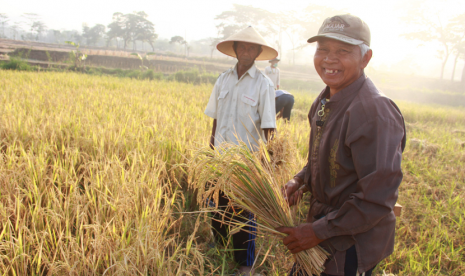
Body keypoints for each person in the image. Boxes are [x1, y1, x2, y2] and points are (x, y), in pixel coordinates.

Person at [276, 14, 407, 276]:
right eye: (322, 49)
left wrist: (317, 231)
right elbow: (323, 157)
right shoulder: (324, 101)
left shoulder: (373, 112)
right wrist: (299, 180)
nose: (329, 59)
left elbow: (376, 199)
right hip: (323, 228)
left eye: (343, 51)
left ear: (365, 58)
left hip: (351, 241)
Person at [204, 26, 278, 276]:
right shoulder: (223, 79)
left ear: (258, 53)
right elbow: (215, 118)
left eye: (251, 48)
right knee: (217, 204)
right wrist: (210, 149)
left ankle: (245, 265)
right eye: (242, 47)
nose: (246, 51)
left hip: (245, 162)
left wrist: (265, 161)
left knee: (243, 212)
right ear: (235, 50)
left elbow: (269, 126)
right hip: (219, 157)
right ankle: (220, 244)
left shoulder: (263, 85)